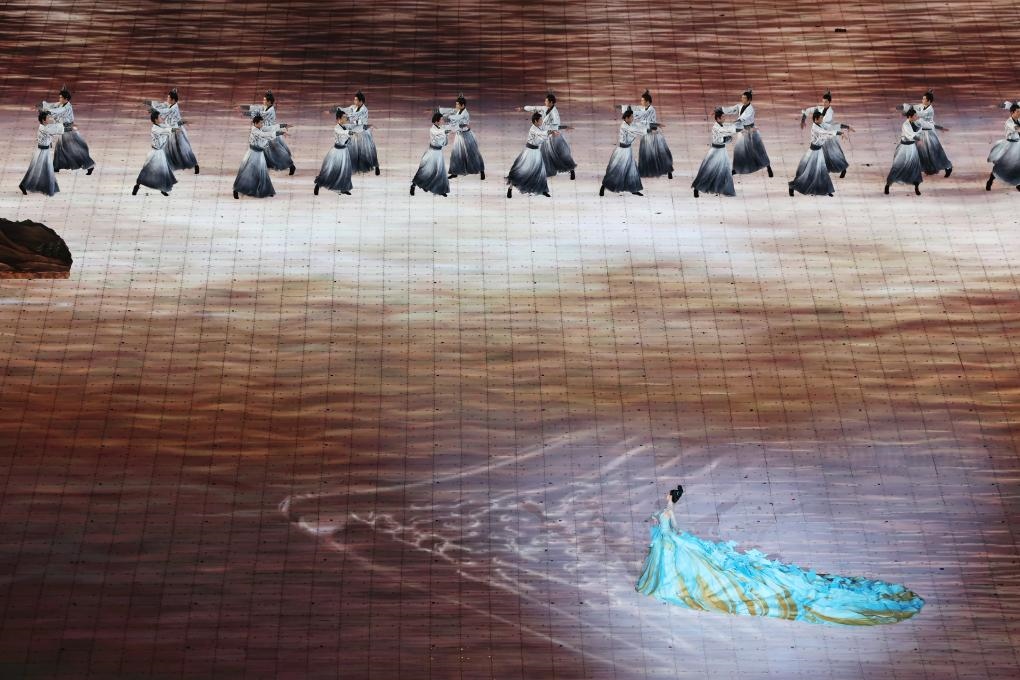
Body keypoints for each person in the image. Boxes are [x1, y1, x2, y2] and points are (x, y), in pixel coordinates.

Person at [635, 485, 926, 625]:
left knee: (713, 575)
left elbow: (670, 524)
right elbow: (671, 523)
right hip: (676, 542)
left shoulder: (665, 521)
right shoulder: (666, 519)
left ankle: (669, 583)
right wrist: (670, 510)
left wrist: (669, 512)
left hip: (675, 544)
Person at [618, 90, 673, 179]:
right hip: (646, 133)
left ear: (647, 101)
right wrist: (624, 108)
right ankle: (648, 171)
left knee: (659, 153)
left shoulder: (651, 110)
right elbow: (636, 109)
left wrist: (629, 110)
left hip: (653, 134)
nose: (641, 102)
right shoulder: (642, 108)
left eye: (643, 100)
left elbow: (641, 114)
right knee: (647, 154)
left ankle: (668, 170)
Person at [789, 109, 843, 196]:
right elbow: (825, 132)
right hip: (813, 152)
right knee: (807, 173)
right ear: (816, 119)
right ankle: (792, 187)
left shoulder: (820, 124)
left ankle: (826, 190)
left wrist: (840, 130)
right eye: (821, 118)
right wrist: (838, 133)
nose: (822, 119)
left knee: (822, 170)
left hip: (819, 151)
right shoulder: (815, 128)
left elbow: (828, 129)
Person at [42, 87, 95, 174]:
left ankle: (89, 165)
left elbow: (58, 111)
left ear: (66, 99)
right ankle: (56, 167)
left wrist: (47, 112)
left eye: (61, 97)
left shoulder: (67, 107)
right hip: (63, 130)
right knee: (59, 148)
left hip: (68, 131)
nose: (59, 99)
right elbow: (52, 105)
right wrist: (42, 105)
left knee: (73, 150)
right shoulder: (61, 104)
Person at [240, 90, 295, 175]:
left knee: (277, 151)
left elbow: (259, 115)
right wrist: (242, 107)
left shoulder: (270, 111)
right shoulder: (264, 107)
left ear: (269, 102)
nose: (263, 101)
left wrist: (244, 113)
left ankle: (291, 165)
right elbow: (255, 108)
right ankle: (261, 168)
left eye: (265, 100)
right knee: (263, 150)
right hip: (264, 130)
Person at [523, 93, 577, 180]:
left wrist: (562, 128)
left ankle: (571, 170)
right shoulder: (545, 108)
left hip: (554, 138)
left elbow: (556, 127)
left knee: (561, 154)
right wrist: (523, 108)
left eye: (546, 101)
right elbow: (535, 108)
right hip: (547, 136)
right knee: (544, 154)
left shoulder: (555, 113)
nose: (545, 102)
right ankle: (542, 172)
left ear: (551, 102)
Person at [233, 114, 287, 199]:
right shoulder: (255, 131)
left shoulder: (260, 128)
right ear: (255, 123)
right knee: (247, 172)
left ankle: (266, 190)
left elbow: (269, 128)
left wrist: (282, 125)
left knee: (262, 172)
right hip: (253, 153)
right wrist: (279, 133)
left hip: (260, 153)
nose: (262, 124)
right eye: (261, 123)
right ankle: (236, 190)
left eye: (262, 123)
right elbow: (264, 135)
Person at [721, 88, 773, 176]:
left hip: (751, 131)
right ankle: (736, 169)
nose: (742, 99)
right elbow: (731, 109)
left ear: (749, 100)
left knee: (758, 149)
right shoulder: (740, 106)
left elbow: (743, 118)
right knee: (739, 150)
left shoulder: (750, 109)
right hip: (743, 131)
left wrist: (736, 122)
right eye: (742, 97)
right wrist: (720, 110)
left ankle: (768, 166)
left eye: (744, 98)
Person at [146, 88, 199, 174]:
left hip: (177, 131)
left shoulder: (174, 108)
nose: (167, 99)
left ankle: (195, 165)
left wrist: (154, 110)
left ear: (173, 100)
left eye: (169, 98)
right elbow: (162, 105)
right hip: (171, 130)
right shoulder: (170, 104)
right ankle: (166, 167)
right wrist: (151, 104)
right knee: (167, 149)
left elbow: (165, 111)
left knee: (184, 150)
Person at [801, 91, 852, 177]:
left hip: (829, 136)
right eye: (823, 101)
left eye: (826, 102)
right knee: (823, 154)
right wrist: (803, 119)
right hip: (822, 136)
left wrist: (843, 128)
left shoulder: (830, 113)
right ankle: (825, 171)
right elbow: (809, 110)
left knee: (834, 153)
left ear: (829, 102)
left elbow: (829, 125)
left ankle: (843, 168)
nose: (824, 103)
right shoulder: (820, 108)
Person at [691, 108, 737, 197]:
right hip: (715, 151)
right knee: (708, 170)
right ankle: (697, 188)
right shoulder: (716, 128)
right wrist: (729, 137)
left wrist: (729, 137)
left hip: (722, 151)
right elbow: (723, 138)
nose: (724, 118)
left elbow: (728, 136)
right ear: (718, 118)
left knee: (725, 170)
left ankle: (726, 189)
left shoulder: (722, 126)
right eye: (723, 117)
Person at [599, 108, 646, 196]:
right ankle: (604, 186)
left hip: (628, 150)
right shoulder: (624, 126)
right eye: (631, 117)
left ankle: (634, 189)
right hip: (622, 151)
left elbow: (638, 126)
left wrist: (652, 126)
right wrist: (649, 129)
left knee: (632, 170)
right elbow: (636, 130)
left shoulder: (630, 124)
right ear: (626, 118)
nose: (633, 118)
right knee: (616, 170)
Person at [506, 111, 552, 198]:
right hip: (529, 152)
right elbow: (541, 134)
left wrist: (552, 132)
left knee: (541, 171)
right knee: (521, 171)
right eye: (540, 120)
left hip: (536, 152)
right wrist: (549, 133)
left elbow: (542, 137)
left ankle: (543, 190)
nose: (542, 121)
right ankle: (510, 188)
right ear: (535, 121)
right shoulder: (533, 129)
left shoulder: (539, 128)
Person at [19, 111, 65, 196]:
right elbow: (60, 131)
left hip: (44, 151)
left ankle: (45, 187)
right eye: (48, 118)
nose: (50, 119)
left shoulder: (44, 126)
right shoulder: (45, 128)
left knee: (43, 169)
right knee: (37, 170)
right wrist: (59, 120)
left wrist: (56, 120)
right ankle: (25, 185)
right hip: (42, 152)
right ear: (44, 120)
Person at [906, 90, 951, 177]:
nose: (922, 100)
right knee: (919, 151)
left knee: (934, 152)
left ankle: (948, 167)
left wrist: (910, 112)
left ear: (929, 101)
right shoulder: (922, 106)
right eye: (922, 99)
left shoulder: (930, 110)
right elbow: (914, 107)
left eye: (924, 99)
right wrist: (906, 107)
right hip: (922, 132)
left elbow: (919, 114)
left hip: (929, 133)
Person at [132, 109, 177, 196]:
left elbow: (168, 126)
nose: (161, 118)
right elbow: (168, 130)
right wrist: (177, 128)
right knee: (146, 170)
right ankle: (137, 185)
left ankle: (163, 189)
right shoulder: (156, 129)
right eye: (160, 117)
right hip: (155, 153)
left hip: (160, 152)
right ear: (156, 120)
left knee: (163, 171)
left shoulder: (160, 126)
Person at [438, 96, 485, 180]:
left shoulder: (465, 114)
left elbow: (458, 122)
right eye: (456, 104)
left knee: (473, 154)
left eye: (457, 104)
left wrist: (447, 122)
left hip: (467, 136)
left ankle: (481, 171)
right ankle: (454, 172)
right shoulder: (458, 111)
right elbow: (452, 115)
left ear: (462, 105)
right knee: (455, 154)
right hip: (459, 135)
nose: (456, 106)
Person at [409, 112, 452, 196]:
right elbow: (438, 134)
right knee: (424, 171)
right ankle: (413, 185)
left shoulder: (441, 128)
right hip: (432, 152)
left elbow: (444, 141)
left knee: (440, 172)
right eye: (441, 119)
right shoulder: (432, 129)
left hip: (438, 153)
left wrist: (446, 133)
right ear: (436, 121)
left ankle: (440, 190)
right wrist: (445, 132)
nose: (442, 121)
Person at [314, 109, 355, 196]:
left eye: (346, 117)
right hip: (337, 152)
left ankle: (344, 188)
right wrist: (350, 132)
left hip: (344, 151)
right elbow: (342, 132)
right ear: (339, 119)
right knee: (330, 170)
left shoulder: (346, 126)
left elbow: (352, 128)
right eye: (344, 117)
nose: (346, 118)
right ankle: (318, 184)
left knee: (345, 170)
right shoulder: (337, 128)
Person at [338, 91, 380, 175]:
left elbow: (359, 119)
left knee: (369, 151)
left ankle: (376, 166)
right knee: (352, 150)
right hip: (355, 132)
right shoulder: (353, 107)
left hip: (362, 133)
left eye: (356, 100)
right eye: (354, 100)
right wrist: (338, 109)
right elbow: (345, 109)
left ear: (361, 101)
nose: (354, 101)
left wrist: (348, 119)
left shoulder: (364, 110)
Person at [884, 108, 924, 195]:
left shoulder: (916, 123)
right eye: (915, 116)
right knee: (897, 166)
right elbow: (911, 136)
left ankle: (916, 187)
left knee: (915, 167)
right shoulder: (905, 125)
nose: (916, 117)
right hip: (904, 148)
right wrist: (919, 139)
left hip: (912, 148)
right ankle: (888, 184)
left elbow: (920, 130)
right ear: (910, 116)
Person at [986, 102, 1020, 192]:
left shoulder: (1018, 120)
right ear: (1012, 112)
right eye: (1017, 112)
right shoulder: (1009, 122)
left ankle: (1018, 183)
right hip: (1010, 146)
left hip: (1018, 144)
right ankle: (990, 181)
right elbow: (1018, 129)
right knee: (1003, 165)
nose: (1019, 113)